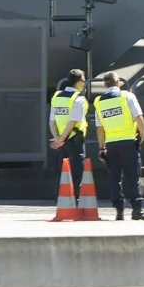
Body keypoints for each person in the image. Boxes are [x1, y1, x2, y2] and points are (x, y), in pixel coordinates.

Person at [94, 72, 144, 221]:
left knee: (115, 177)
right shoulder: (127, 96)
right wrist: (141, 137)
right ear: (118, 83)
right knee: (133, 176)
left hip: (111, 144)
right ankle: (137, 210)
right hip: (128, 142)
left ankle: (119, 210)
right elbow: (139, 118)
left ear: (104, 84)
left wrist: (101, 148)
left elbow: (99, 128)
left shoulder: (99, 101)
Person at [49, 69, 89, 201]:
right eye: (83, 81)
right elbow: (73, 121)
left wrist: (57, 138)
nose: (84, 84)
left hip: (61, 142)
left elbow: (52, 122)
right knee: (76, 173)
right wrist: (62, 139)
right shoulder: (79, 99)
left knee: (62, 172)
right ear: (78, 83)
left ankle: (60, 200)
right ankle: (75, 201)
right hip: (74, 140)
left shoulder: (56, 97)